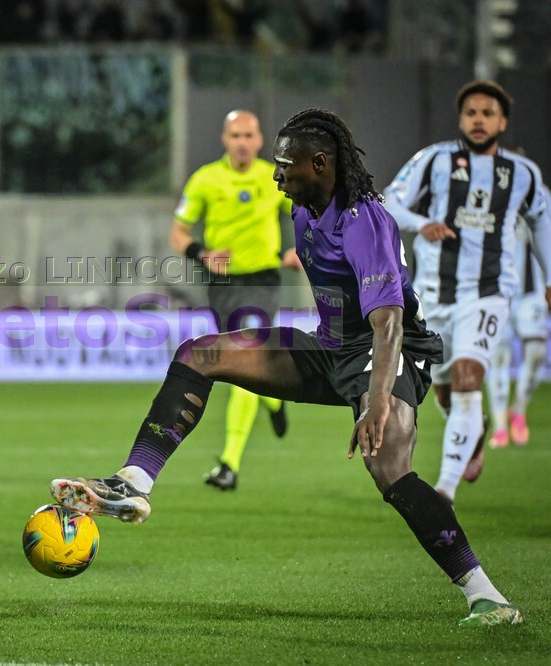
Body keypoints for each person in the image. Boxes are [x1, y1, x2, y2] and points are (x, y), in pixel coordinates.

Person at [51, 108, 522, 627]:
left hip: (387, 351)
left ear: (319, 164)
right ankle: (134, 481)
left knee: (388, 468)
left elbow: (388, 322)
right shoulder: (303, 210)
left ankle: (487, 597)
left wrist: (378, 400)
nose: (276, 175)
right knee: (198, 354)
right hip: (330, 347)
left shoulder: (364, 222)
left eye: (284, 165)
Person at [383, 80, 551, 501]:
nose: (479, 120)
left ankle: (446, 490)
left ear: (502, 122)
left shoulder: (522, 173)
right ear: (461, 119)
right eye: (471, 113)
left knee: (467, 377)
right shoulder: (434, 160)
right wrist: (421, 223)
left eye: (487, 113)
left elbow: (542, 223)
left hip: (489, 292)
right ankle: (473, 436)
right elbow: (390, 201)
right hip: (434, 294)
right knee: (443, 390)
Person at [171, 109, 300, 491]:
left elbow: (307, 213)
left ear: (260, 141)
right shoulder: (206, 179)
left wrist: (300, 249)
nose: (242, 143)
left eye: (248, 135)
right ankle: (274, 400)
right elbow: (178, 232)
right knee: (248, 362)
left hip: (262, 281)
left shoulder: (274, 177)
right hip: (222, 284)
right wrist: (201, 253)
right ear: (225, 140)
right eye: (235, 136)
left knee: (244, 359)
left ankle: (229, 463)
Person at [486, 181, 551, 447]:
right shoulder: (486, 192)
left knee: (536, 353)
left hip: (532, 292)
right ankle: (500, 426)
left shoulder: (540, 195)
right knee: (498, 358)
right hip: (497, 291)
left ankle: (519, 410)